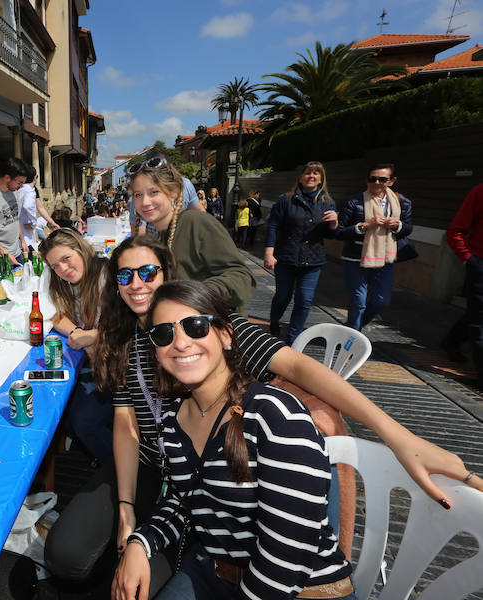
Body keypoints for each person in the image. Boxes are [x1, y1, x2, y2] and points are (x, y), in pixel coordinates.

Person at [46, 235, 483, 593]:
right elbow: (126, 425)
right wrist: (129, 515)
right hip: (169, 473)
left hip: (222, 494)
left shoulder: (213, 339)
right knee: (71, 557)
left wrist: (396, 434)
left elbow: (294, 365)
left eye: (148, 272)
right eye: (125, 275)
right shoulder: (135, 348)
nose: (137, 283)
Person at [114, 280, 355, 600]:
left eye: (195, 326)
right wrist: (139, 543)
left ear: (226, 334)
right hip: (213, 573)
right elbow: (189, 502)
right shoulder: (173, 419)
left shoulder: (275, 416)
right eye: (164, 334)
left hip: (303, 590)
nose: (181, 343)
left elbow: (286, 557)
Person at [128, 156, 254, 313]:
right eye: (138, 194)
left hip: (214, 328)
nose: (145, 202)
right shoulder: (158, 238)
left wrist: (193, 296)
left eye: (154, 192)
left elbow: (242, 278)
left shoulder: (196, 223)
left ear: (173, 192)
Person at [39, 228, 112, 463]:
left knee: (83, 421)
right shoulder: (63, 283)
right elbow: (54, 314)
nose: (62, 269)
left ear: (79, 249)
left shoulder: (105, 275)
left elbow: (129, 328)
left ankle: (123, 468)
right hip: (94, 364)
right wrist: (78, 332)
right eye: (55, 266)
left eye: (65, 259)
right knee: (57, 412)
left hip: (119, 368)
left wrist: (95, 336)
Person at [264, 161, 338, 342]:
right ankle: (274, 320)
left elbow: (329, 234)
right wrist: (269, 252)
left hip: (313, 260)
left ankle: (293, 338)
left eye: (315, 173)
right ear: (300, 177)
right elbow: (273, 225)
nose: (311, 176)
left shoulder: (327, 202)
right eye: (307, 173)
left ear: (321, 179)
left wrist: (334, 223)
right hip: (286, 257)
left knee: (304, 300)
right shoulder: (286, 199)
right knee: (283, 296)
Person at [335, 164, 413, 331]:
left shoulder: (401, 202)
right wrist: (364, 225)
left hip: (385, 258)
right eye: (372, 179)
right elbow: (339, 232)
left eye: (382, 179)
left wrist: (397, 225)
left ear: (391, 181)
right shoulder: (354, 201)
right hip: (355, 257)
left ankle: (353, 327)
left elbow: (408, 228)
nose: (376, 182)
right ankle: (351, 338)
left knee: (381, 301)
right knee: (358, 302)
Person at [445, 183, 483, 377]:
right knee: (480, 319)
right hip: (480, 264)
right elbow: (455, 231)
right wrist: (469, 259)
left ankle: (452, 341)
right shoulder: (480, 192)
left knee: (476, 313)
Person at [18, 165, 39, 254]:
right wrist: (34, 223)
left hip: (19, 232)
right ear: (35, 177)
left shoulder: (19, 189)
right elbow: (28, 206)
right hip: (27, 236)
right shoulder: (30, 190)